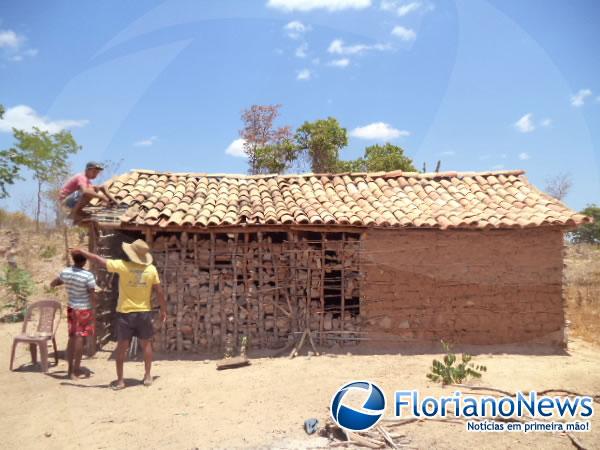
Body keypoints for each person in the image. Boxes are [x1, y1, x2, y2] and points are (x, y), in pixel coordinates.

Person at [72, 239, 167, 390]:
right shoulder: (151, 270)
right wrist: (163, 310)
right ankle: (148, 376)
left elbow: (99, 260)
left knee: (121, 347)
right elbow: (159, 292)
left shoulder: (123, 266)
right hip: (143, 313)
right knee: (147, 344)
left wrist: (83, 252)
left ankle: (121, 381)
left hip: (125, 313)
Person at [50, 252, 97, 380]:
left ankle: (71, 369)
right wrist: (94, 309)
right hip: (84, 310)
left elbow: (54, 283)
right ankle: (75, 369)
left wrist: (63, 283)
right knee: (80, 339)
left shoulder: (66, 272)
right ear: (84, 261)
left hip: (72, 309)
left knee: (72, 338)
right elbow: (92, 294)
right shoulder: (87, 276)